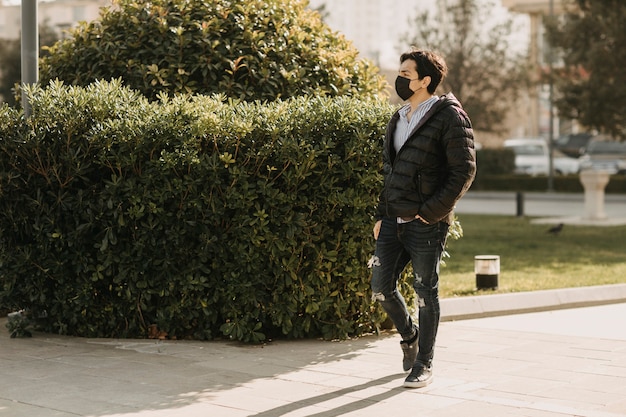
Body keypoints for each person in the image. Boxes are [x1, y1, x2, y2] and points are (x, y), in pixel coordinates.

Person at [370, 48, 476, 388]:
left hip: (426, 223)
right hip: (392, 219)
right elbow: (391, 171)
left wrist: (430, 213)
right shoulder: (398, 116)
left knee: (425, 292)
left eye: (406, 74)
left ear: (425, 80)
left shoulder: (449, 115)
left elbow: (463, 172)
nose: (399, 79)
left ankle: (424, 364)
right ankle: (409, 336)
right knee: (380, 288)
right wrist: (380, 213)